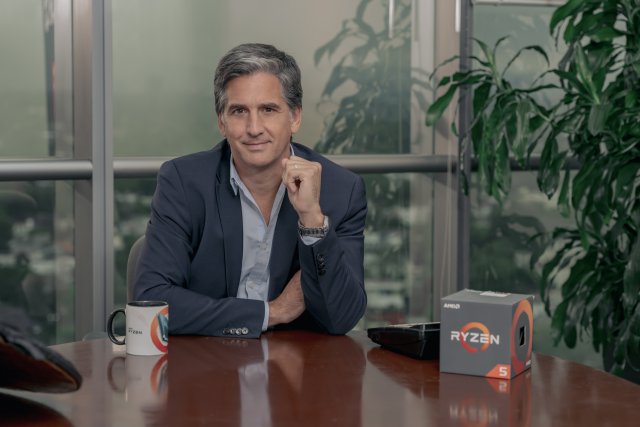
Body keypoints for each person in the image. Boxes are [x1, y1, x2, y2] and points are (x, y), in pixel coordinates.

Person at [134, 43, 367, 338]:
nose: (254, 128)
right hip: (206, 359)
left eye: (268, 109)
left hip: (298, 363)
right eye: (239, 111)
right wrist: (272, 312)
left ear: (295, 117)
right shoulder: (183, 182)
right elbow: (152, 302)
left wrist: (312, 220)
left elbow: (342, 318)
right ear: (222, 122)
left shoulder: (341, 191)